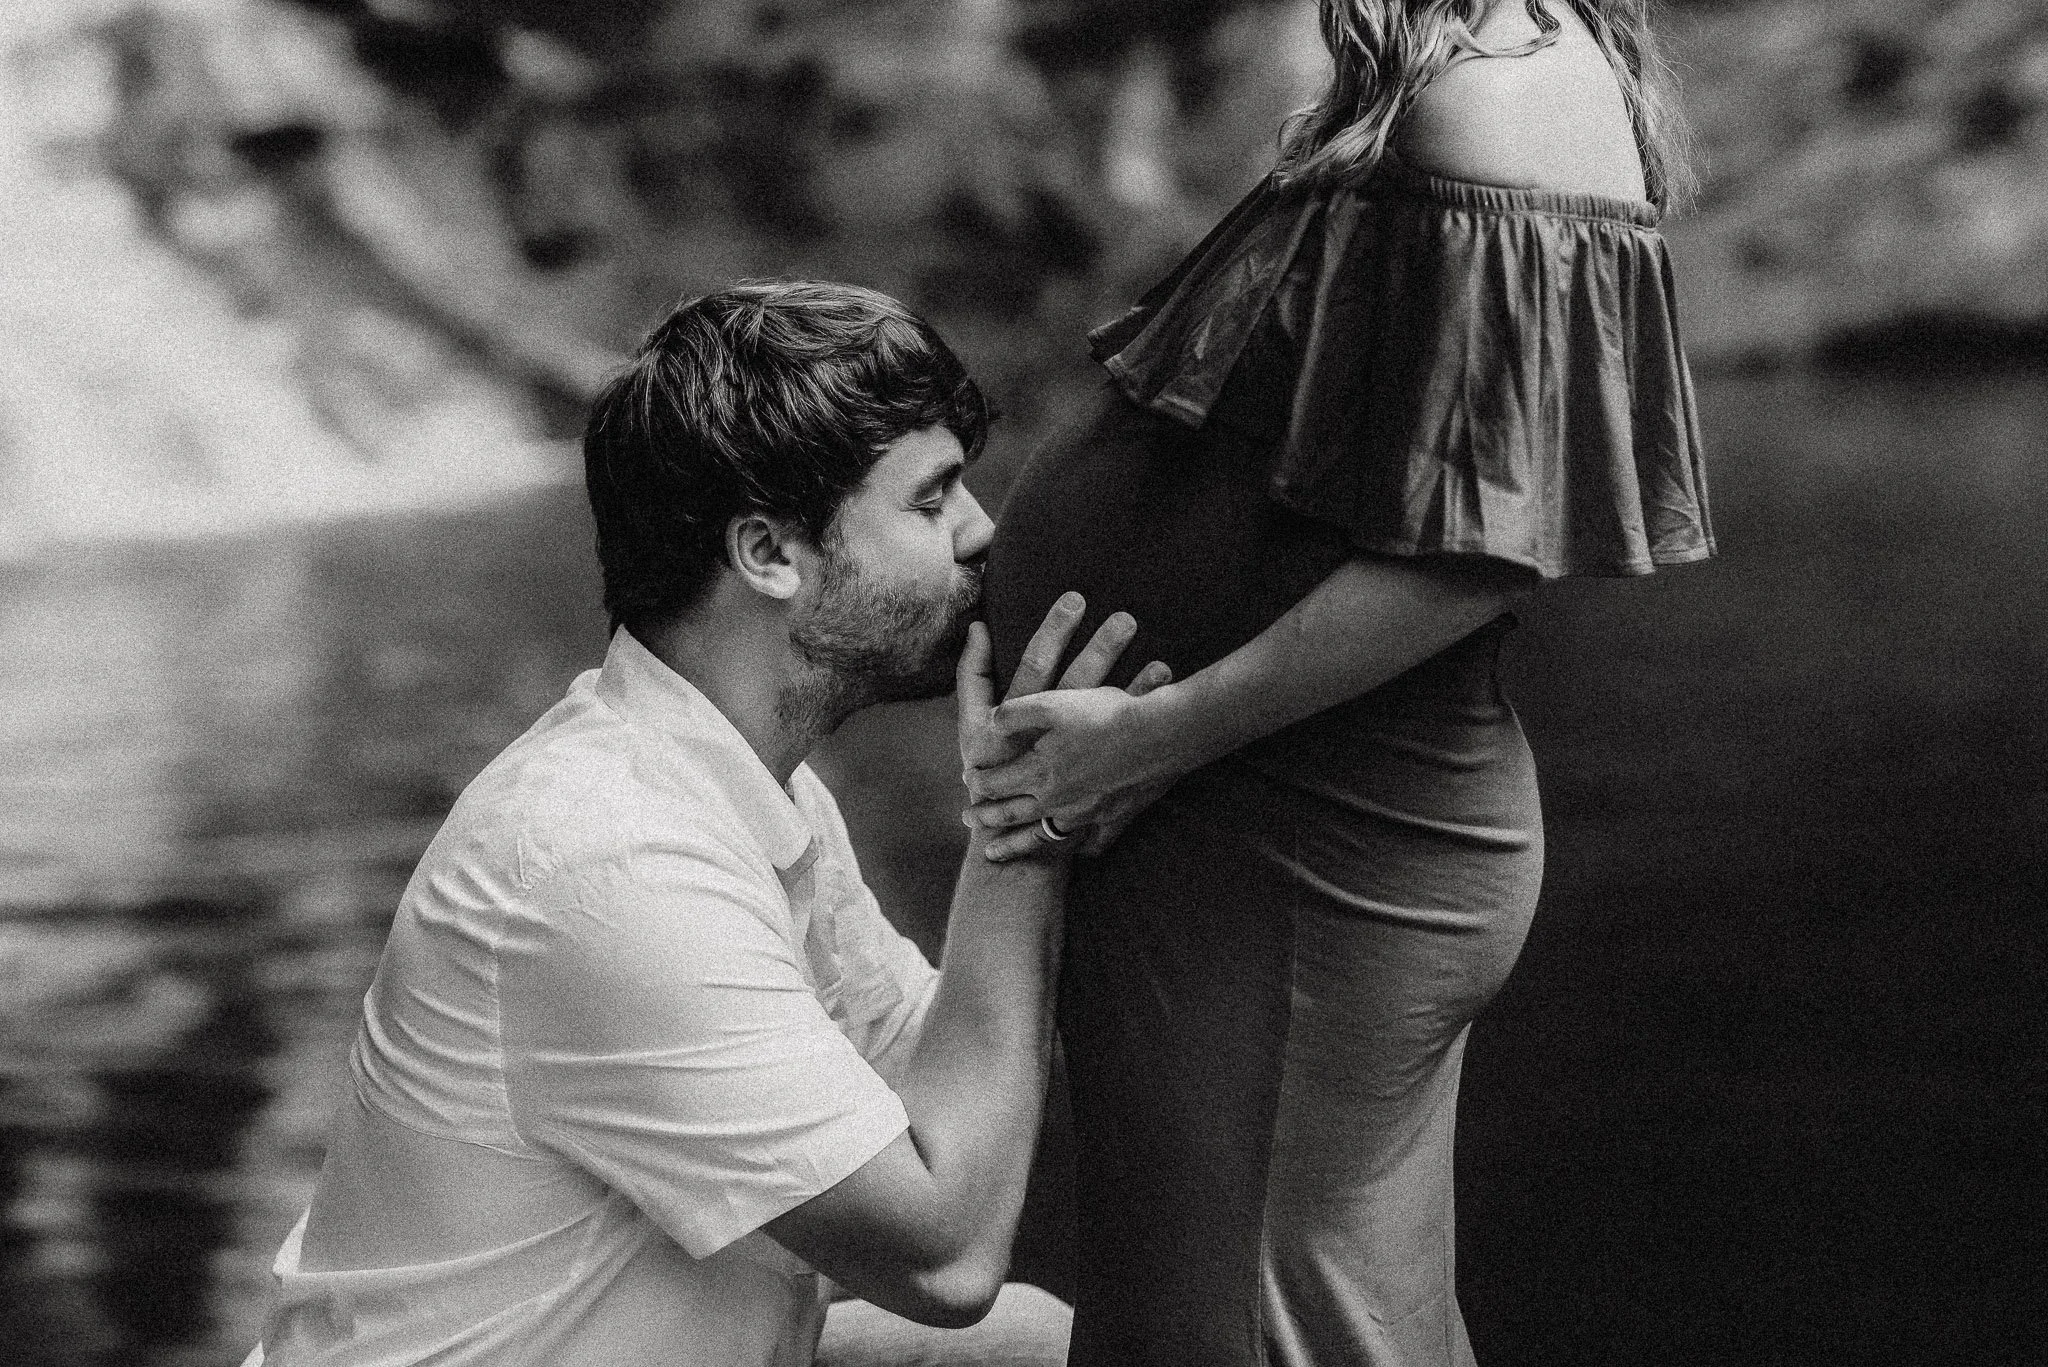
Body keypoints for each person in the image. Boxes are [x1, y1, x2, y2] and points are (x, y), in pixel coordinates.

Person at [971, 2, 1715, 1365]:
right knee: (1314, 1308)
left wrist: (1149, 737)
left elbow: (1483, 554)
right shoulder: (1446, 81)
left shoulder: (1493, 100)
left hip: (1306, 834)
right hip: (1263, 820)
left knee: (1241, 1317)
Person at [243, 280, 1167, 1367]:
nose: (981, 533)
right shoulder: (608, 861)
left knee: (1026, 1344)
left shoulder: (743, 787)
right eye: (930, 501)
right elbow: (944, 1254)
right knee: (989, 1319)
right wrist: (1020, 824)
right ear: (769, 553)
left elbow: (939, 1080)